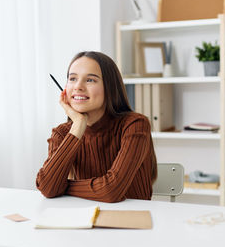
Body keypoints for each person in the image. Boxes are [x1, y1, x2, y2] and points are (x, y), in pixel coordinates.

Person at [36, 51, 157, 203]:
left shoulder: (135, 125)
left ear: (110, 87)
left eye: (90, 80)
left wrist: (63, 186)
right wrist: (78, 125)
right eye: (72, 78)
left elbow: (111, 191)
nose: (78, 87)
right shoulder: (63, 133)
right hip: (84, 217)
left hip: (132, 220)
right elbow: (48, 188)